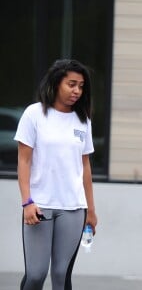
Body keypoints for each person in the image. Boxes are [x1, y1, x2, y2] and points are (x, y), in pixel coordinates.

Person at [14, 59, 98, 290]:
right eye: (71, 84)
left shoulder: (83, 120)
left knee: (61, 275)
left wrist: (90, 210)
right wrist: (27, 202)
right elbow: (24, 160)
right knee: (35, 274)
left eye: (81, 86)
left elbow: (85, 166)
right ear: (56, 82)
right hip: (39, 205)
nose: (77, 91)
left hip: (73, 207)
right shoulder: (34, 114)